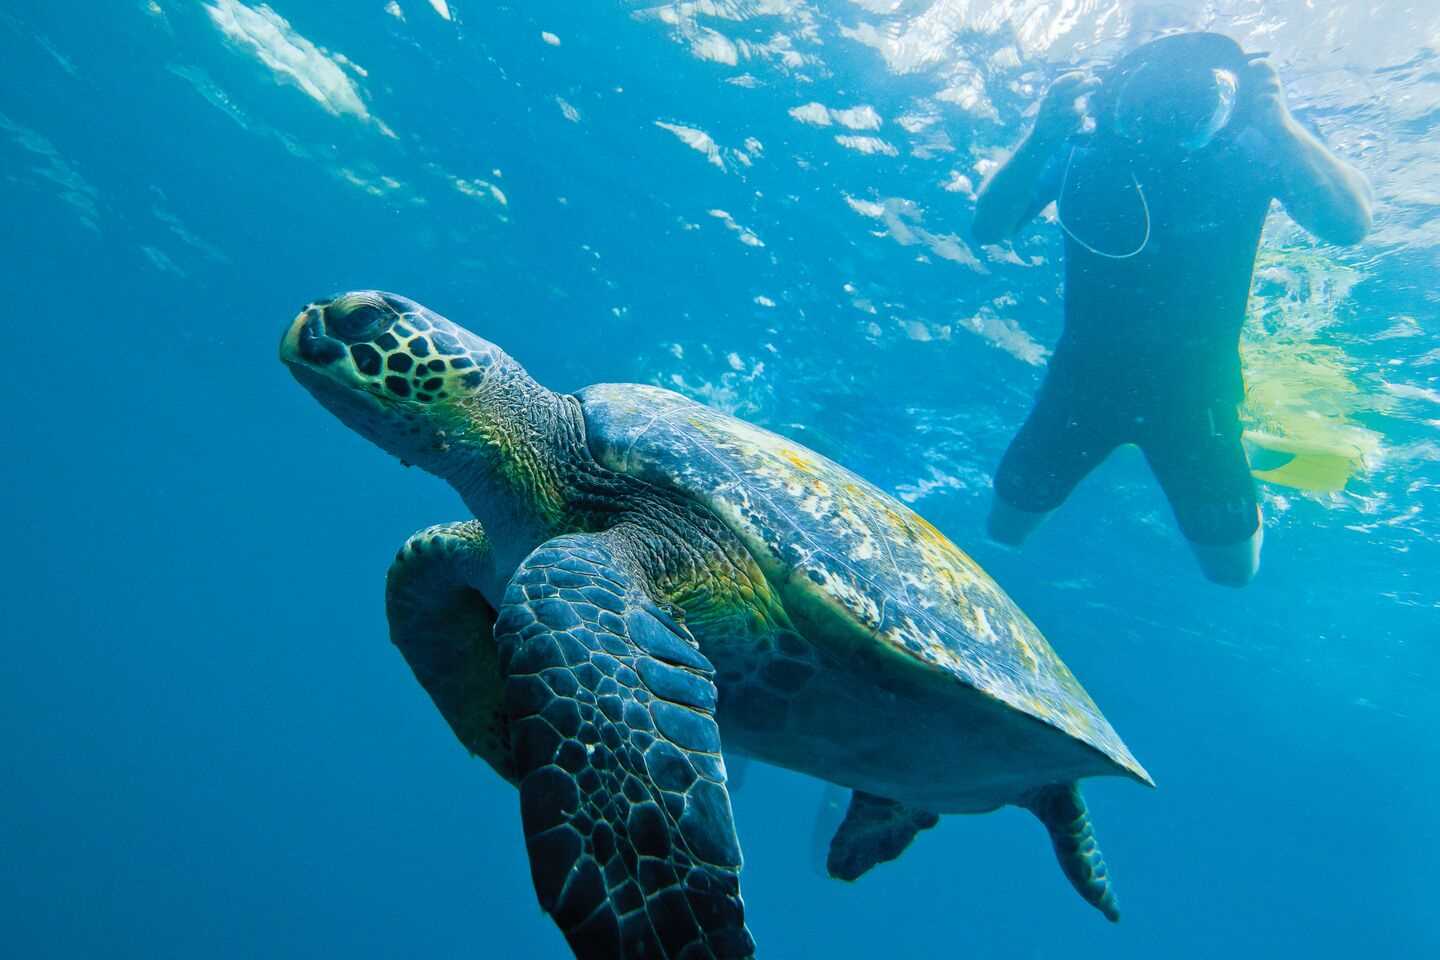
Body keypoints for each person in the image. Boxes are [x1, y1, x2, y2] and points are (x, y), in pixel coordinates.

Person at [971, 32, 1372, 586]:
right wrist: (1042, 137)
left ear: (1230, 103)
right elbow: (988, 228)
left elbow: (1350, 226)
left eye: (1193, 98)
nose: (1168, 116)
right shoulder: (1080, 151)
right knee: (1004, 533)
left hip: (1197, 402)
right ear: (1116, 98)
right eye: (1151, 98)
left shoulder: (1256, 148)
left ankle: (1237, 449)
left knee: (1234, 573)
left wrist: (1280, 125)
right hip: (1081, 388)